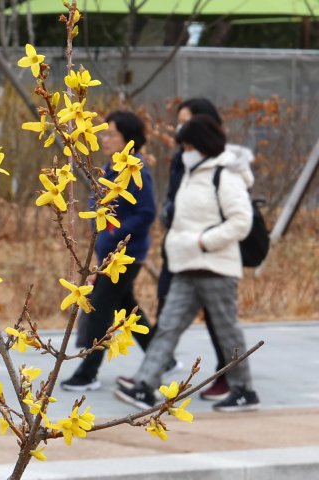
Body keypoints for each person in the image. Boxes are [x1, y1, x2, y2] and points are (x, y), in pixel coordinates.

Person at [114, 114, 260, 412]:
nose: (184, 151)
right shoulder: (193, 172)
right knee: (167, 326)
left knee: (226, 330)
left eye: (188, 145)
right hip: (185, 266)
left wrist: (203, 241)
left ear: (201, 145)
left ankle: (244, 389)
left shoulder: (225, 175)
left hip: (215, 268)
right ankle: (145, 384)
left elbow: (240, 222)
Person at [61, 111, 162, 392]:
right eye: (103, 133)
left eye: (111, 134)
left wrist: (113, 230)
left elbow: (146, 212)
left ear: (128, 139)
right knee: (129, 308)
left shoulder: (135, 169)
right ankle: (161, 359)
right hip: (109, 256)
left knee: (100, 308)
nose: (104, 138)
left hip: (126, 257)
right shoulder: (110, 168)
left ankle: (88, 371)